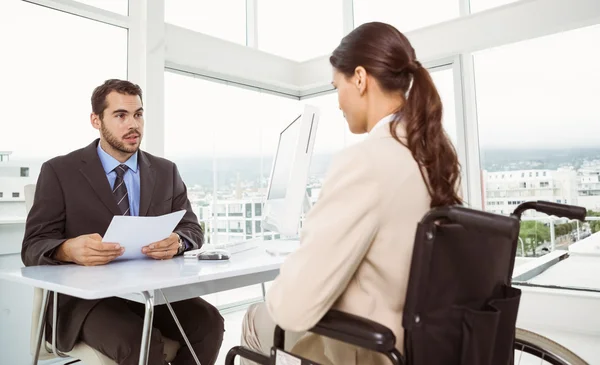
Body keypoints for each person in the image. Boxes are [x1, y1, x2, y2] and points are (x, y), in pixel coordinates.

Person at [241, 22, 462, 364]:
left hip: (368, 347)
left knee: (257, 318)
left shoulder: (365, 161)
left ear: (359, 78)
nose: (339, 102)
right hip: (428, 343)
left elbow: (292, 308)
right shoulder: (438, 161)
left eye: (336, 87)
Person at [22, 79, 224, 365]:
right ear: (96, 120)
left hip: (149, 292)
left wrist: (177, 242)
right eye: (120, 115)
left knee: (209, 322)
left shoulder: (166, 171)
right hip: (87, 302)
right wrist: (68, 249)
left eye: (138, 114)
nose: (133, 125)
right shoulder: (59, 171)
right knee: (140, 341)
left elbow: (192, 229)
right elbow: (32, 246)